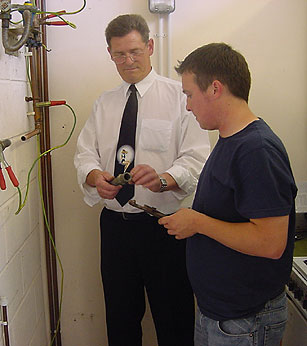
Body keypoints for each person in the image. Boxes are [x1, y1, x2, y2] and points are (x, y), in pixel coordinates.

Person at [74, 14, 211, 346]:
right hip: (116, 227)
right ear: (110, 54)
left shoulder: (181, 99)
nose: (128, 60)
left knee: (175, 319)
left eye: (135, 51)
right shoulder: (104, 104)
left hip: (164, 226)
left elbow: (197, 158)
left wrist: (164, 179)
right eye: (119, 54)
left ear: (150, 46)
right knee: (120, 319)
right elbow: (84, 155)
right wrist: (95, 177)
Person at [159, 43, 297, 346]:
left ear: (215, 89)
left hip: (246, 320)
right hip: (220, 314)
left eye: (190, 94)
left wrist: (197, 223)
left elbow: (271, 242)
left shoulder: (256, 150)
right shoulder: (229, 140)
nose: (188, 106)